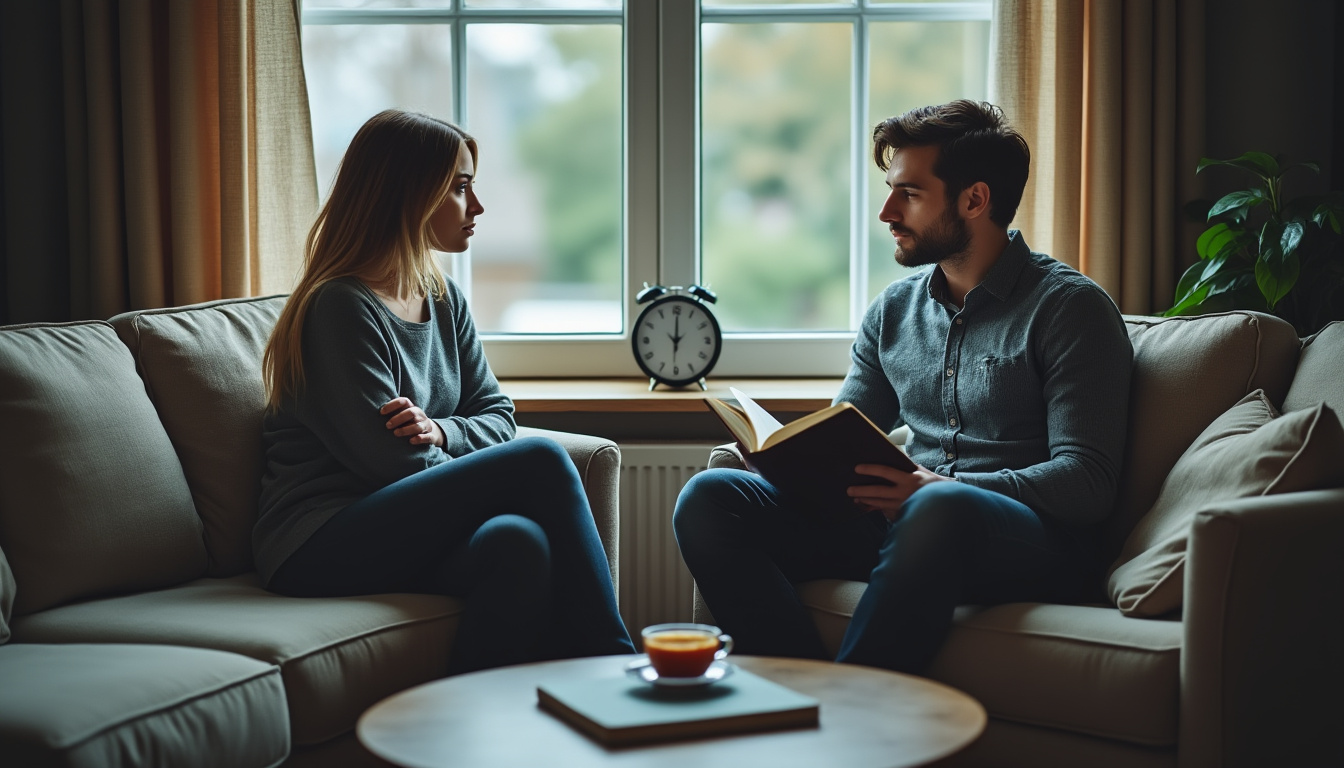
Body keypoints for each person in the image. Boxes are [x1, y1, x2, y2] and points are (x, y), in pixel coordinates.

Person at [673, 100, 1134, 674]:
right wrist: (785, 461)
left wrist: (940, 486)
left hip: (1025, 541)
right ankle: (802, 688)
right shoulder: (894, 310)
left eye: (910, 194)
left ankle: (856, 713)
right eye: (891, 191)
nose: (888, 211)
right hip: (905, 525)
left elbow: (1088, 483)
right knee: (711, 498)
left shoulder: (1070, 310)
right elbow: (843, 432)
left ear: (974, 200)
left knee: (940, 504)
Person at [256, 109, 634, 674]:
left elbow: (497, 414)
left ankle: (475, 735)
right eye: (460, 187)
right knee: (541, 460)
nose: (476, 206)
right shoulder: (340, 307)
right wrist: (464, 457)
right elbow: (395, 464)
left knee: (517, 542)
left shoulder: (443, 296)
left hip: (400, 520)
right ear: (408, 195)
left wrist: (444, 430)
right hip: (318, 539)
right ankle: (618, 666)